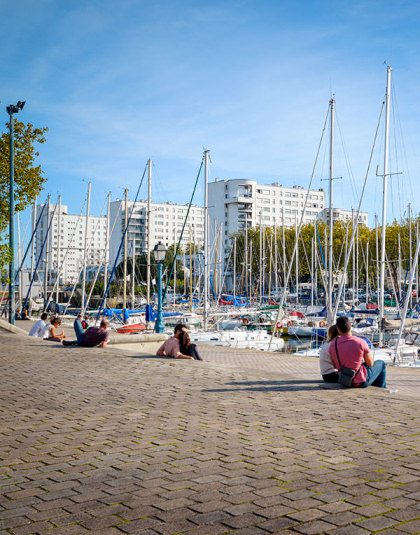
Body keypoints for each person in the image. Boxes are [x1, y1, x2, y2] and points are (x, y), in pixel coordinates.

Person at [329, 316, 386, 388]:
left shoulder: (333, 344)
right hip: (360, 381)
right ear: (350, 326)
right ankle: (381, 389)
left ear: (338, 330)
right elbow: (370, 363)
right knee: (381, 363)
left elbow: (334, 365)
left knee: (363, 365)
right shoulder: (360, 342)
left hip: (345, 380)